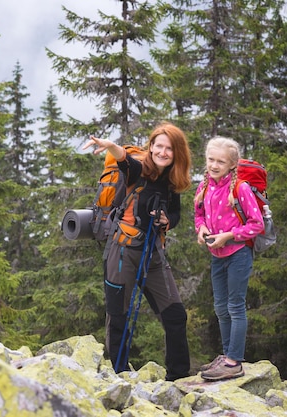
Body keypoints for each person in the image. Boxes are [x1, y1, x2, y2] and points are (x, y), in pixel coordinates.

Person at [83, 122, 192, 381]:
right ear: (151, 146)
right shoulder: (138, 169)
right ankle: (117, 377)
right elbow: (125, 161)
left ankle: (178, 378)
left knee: (175, 315)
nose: (163, 152)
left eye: (169, 148)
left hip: (153, 254)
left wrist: (168, 221)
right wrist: (111, 147)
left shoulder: (172, 179)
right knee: (117, 315)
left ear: (177, 153)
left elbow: (175, 212)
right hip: (122, 251)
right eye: (159, 146)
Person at [193, 136, 264, 381]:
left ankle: (234, 361)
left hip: (238, 254)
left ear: (232, 165)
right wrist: (201, 229)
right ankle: (226, 356)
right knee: (220, 308)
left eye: (220, 161)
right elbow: (199, 215)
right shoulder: (203, 187)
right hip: (217, 255)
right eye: (210, 159)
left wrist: (229, 235)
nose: (214, 165)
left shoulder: (240, 188)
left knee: (235, 307)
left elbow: (257, 225)